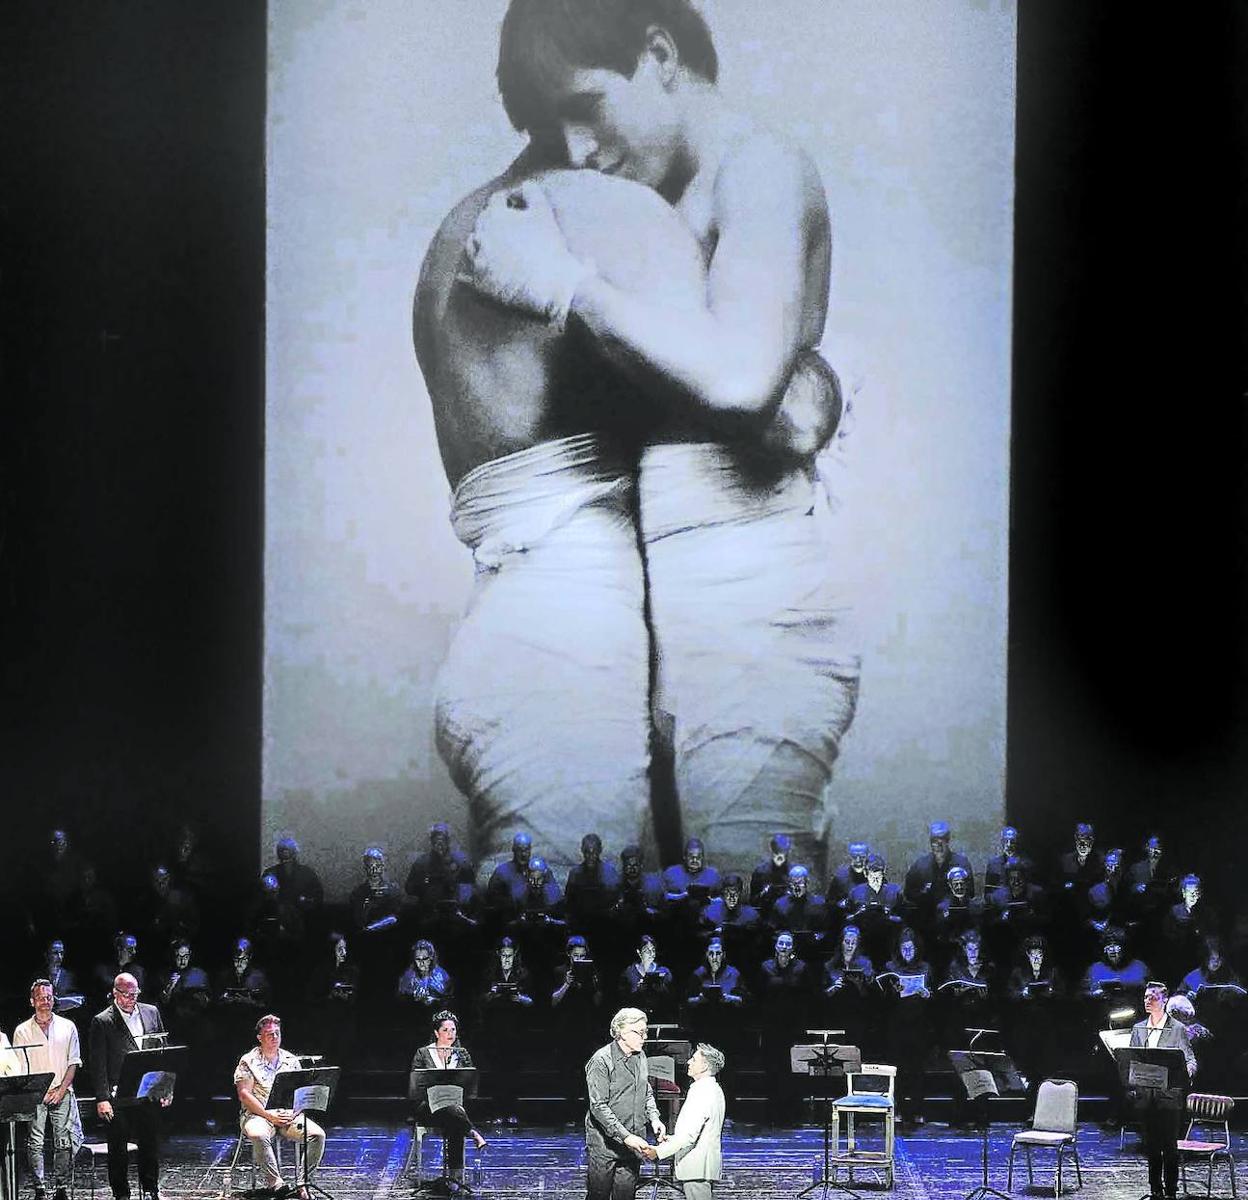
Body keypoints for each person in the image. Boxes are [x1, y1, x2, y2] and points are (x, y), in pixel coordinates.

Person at [474, 0, 859, 872]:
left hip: (751, 602)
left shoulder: (756, 168)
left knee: (759, 922)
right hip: (665, 606)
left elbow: (737, 380)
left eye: (587, 107)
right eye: (551, 126)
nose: (576, 150)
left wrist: (569, 286)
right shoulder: (634, 183)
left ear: (660, 56)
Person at [88, 973, 168, 1200]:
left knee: (150, 1143)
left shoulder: (151, 1012)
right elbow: (98, 1064)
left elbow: (163, 1053)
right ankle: (121, 1194)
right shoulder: (102, 1021)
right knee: (118, 1148)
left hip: (148, 1091)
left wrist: (166, 1087)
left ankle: (151, 1189)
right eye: (127, 994)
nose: (132, 998)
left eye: (135, 994)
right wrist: (102, 1098)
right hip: (118, 1095)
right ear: (115, 993)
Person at [234, 1014, 325, 1200]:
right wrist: (268, 1115)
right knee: (258, 1134)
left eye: (277, 1033)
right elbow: (244, 1095)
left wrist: (295, 1112)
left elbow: (299, 1092)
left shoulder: (290, 1060)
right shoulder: (248, 1061)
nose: (275, 1037)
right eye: (269, 1034)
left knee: (318, 1135)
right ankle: (276, 1184)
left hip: (286, 1114)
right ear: (260, 1037)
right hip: (257, 1114)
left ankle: (303, 1183)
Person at [584, 1008, 666, 1200]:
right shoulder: (601, 1061)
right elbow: (599, 1106)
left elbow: (645, 1091)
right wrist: (625, 1136)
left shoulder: (641, 1056)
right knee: (599, 1195)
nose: (644, 1037)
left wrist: (654, 1118)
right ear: (621, 1032)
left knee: (626, 1195)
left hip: (634, 1141)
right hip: (605, 1144)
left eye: (646, 1032)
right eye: (639, 1032)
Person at [13, 980, 83, 1200]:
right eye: (41, 997)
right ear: (32, 1001)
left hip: (62, 1091)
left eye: (49, 997)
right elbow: (19, 1067)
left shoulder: (68, 1026)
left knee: (63, 1142)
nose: (46, 1002)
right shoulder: (22, 1031)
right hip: (35, 1094)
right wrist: (39, 1092)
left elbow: (73, 1062)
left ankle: (61, 1187)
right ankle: (40, 1189)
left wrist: (61, 1090)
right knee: (35, 1142)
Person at [1128, 982, 1196, 1200]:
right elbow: (1133, 1059)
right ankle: (1155, 1189)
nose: (1148, 1000)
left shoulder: (1177, 1028)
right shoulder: (1139, 1028)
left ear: (1164, 1000)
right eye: (1146, 997)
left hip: (1169, 1097)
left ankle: (1171, 1191)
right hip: (1146, 1097)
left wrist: (1187, 1072)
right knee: (1151, 1146)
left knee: (1170, 1147)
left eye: (1153, 997)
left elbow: (1189, 1058)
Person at [410, 1011, 487, 1187]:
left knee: (454, 1114)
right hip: (428, 1107)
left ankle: (455, 1177)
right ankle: (473, 1134)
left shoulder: (462, 1054)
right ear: (437, 1033)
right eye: (446, 1029)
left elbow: (470, 1082)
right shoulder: (423, 1053)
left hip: (454, 1107)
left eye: (453, 1029)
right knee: (455, 1113)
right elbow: (416, 1085)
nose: (450, 1033)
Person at [640, 1043, 725, 1200]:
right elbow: (700, 1131)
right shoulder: (712, 1088)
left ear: (705, 1066)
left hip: (696, 1167)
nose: (688, 1062)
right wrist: (672, 1140)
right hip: (700, 1165)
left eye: (694, 1059)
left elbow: (689, 1136)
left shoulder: (702, 1092)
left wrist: (658, 1152)